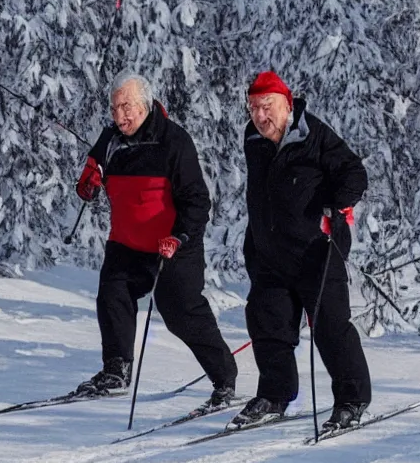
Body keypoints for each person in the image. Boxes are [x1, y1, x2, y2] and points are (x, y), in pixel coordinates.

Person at [73, 72, 238, 412]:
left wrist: (179, 236)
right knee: (113, 292)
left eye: (127, 107)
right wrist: (89, 180)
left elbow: (197, 201)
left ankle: (224, 378)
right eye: (115, 108)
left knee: (180, 311)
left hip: (174, 242)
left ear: (145, 105)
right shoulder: (111, 139)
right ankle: (116, 370)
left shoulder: (173, 141)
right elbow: (94, 172)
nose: (120, 116)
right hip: (128, 242)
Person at [229, 71, 372, 432]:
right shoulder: (253, 138)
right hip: (270, 255)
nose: (261, 116)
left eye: (268, 106)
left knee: (330, 327)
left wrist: (337, 204)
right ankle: (275, 394)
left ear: (287, 104)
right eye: (254, 108)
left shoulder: (313, 134)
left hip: (317, 251)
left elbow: (354, 173)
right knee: (267, 323)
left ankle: (351, 399)